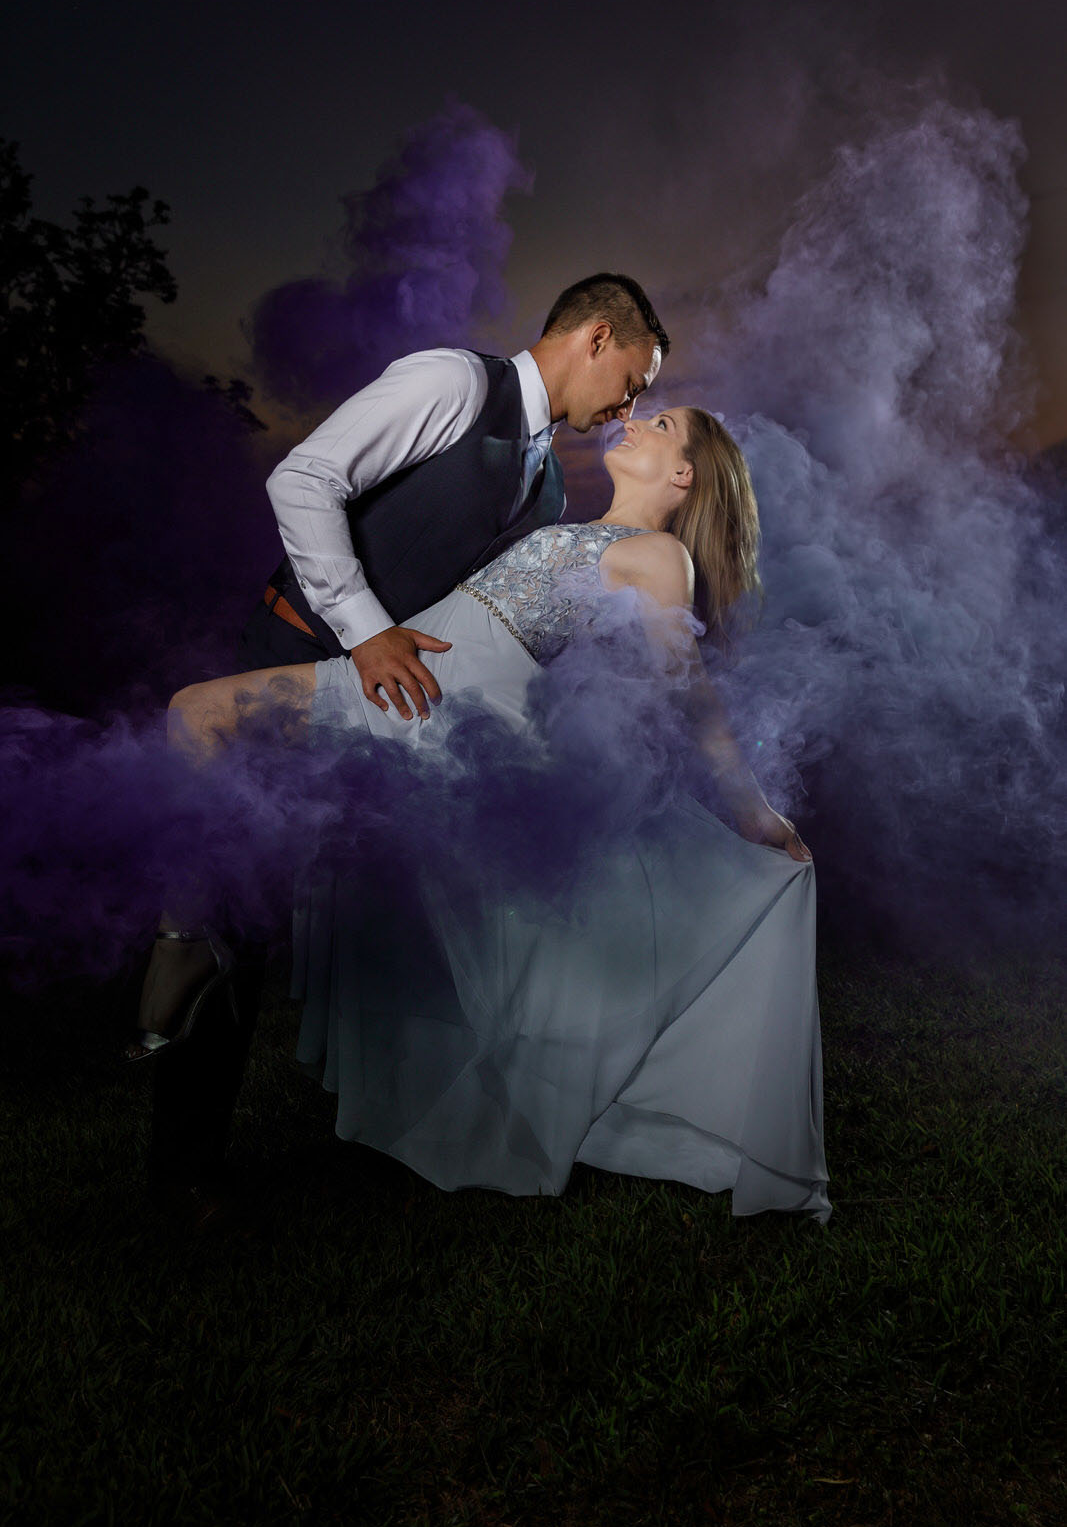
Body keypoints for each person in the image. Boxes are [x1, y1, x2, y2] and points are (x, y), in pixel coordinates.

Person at [129, 405, 830, 1222]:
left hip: (451, 705)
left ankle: (188, 945)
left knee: (203, 716)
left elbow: (688, 696)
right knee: (200, 718)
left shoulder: (657, 553)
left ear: (683, 474)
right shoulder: (574, 523)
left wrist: (754, 813)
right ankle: (190, 939)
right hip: (409, 668)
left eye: (662, 423)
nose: (637, 420)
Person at [137, 273, 671, 1219]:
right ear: (596, 337)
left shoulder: (549, 483)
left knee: (376, 908)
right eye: (631, 380)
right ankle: (183, 1166)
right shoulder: (450, 383)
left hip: (387, 704)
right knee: (239, 903)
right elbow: (303, 479)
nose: (628, 406)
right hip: (301, 655)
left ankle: (433, 1124)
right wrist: (364, 630)